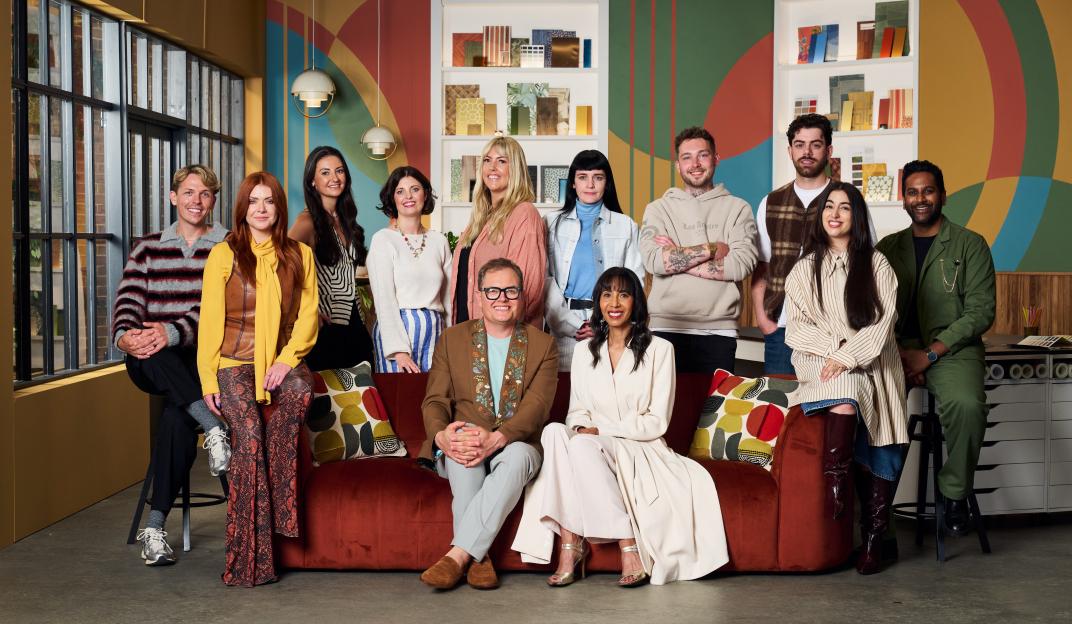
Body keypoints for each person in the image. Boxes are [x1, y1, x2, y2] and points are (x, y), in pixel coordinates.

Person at [513, 267, 728, 587]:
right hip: (592, 443)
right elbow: (577, 412)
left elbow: (657, 421)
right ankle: (578, 542)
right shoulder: (585, 352)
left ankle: (598, 546)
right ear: (598, 302)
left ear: (635, 303)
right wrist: (584, 427)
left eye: (624, 294)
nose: (614, 302)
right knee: (554, 432)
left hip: (639, 446)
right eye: (607, 293)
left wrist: (601, 430)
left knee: (582, 445)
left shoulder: (660, 350)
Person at [198, 171, 319, 587]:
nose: (262, 209)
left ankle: (282, 513)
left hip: (280, 360)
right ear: (242, 208)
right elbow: (210, 322)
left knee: (301, 392)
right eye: (254, 201)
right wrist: (208, 382)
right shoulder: (224, 254)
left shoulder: (299, 255)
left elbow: (308, 318)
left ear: (279, 208)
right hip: (233, 362)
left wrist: (286, 361)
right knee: (248, 440)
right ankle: (250, 559)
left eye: (269, 201)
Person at [784, 182, 908, 575]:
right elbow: (796, 330)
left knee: (882, 443)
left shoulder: (876, 264)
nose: (835, 213)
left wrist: (846, 354)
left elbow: (882, 323)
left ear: (856, 218)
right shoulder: (804, 269)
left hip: (875, 364)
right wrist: (835, 349)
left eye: (845, 208)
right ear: (820, 216)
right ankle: (835, 487)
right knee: (845, 388)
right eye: (828, 207)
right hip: (824, 363)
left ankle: (874, 539)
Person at [114, 164, 230, 567]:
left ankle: (155, 527)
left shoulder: (228, 245)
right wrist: (127, 336)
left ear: (214, 200)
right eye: (189, 193)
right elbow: (128, 301)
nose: (196, 201)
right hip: (150, 360)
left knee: (177, 419)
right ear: (173, 196)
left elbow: (225, 309)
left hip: (199, 359)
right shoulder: (147, 247)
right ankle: (215, 428)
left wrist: (173, 331)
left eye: (205, 194)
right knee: (160, 354)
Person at [419, 258, 558, 590]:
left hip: (514, 444)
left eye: (510, 290)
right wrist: (441, 436)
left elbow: (537, 407)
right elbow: (435, 400)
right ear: (479, 295)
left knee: (521, 456)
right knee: (464, 449)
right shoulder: (452, 339)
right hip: (464, 439)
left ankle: (458, 555)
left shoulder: (543, 346)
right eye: (492, 290)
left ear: (522, 296)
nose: (502, 298)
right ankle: (479, 558)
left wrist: (497, 439)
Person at [876, 160, 996, 537]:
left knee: (967, 405)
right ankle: (877, 509)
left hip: (952, 350)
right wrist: (898, 351)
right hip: (894, 350)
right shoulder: (887, 248)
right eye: (912, 192)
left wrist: (929, 355)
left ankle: (955, 491)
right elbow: (873, 308)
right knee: (869, 405)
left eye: (928, 191)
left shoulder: (970, 244)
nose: (921, 198)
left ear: (942, 195)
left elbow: (980, 312)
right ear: (904, 199)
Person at [753, 114, 877, 375]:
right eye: (799, 144)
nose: (806, 152)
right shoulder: (771, 202)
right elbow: (762, 266)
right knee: (783, 408)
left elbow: (868, 264)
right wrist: (763, 320)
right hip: (781, 329)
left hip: (834, 330)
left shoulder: (848, 201)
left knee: (830, 407)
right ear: (790, 150)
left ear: (829, 151)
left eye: (815, 144)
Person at [639, 126, 758, 374]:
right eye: (686, 157)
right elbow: (654, 261)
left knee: (712, 411)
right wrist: (712, 248)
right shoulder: (658, 209)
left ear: (715, 159)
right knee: (669, 412)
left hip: (719, 331)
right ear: (677, 165)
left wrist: (678, 255)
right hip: (665, 327)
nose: (695, 164)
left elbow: (740, 266)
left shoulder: (738, 208)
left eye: (702, 155)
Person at [544, 150, 644, 371]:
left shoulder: (625, 225)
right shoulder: (550, 223)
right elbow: (544, 280)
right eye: (583, 177)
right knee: (564, 398)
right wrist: (574, 324)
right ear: (572, 183)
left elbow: (635, 282)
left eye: (598, 177)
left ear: (606, 183)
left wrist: (605, 323)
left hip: (613, 327)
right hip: (563, 328)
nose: (590, 184)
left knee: (607, 396)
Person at [289, 145, 373, 370]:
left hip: (354, 323)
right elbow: (281, 270)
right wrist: (309, 310)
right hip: (325, 330)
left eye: (339, 170)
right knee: (331, 401)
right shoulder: (307, 223)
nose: (334, 178)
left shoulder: (347, 221)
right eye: (325, 172)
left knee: (364, 395)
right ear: (312, 181)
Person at [449, 136, 547, 327]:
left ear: (515, 169)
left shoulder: (524, 214)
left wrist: (497, 340)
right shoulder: (479, 219)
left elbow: (528, 289)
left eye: (501, 161)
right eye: (487, 160)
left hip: (502, 338)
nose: (492, 167)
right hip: (469, 331)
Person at [367, 166, 451, 373]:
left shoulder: (439, 241)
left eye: (415, 189)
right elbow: (384, 298)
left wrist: (451, 340)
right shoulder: (383, 239)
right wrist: (398, 350)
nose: (408, 196)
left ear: (425, 194)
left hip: (435, 330)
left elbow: (448, 298)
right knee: (400, 398)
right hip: (398, 331)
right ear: (392, 199)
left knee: (435, 398)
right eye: (400, 191)